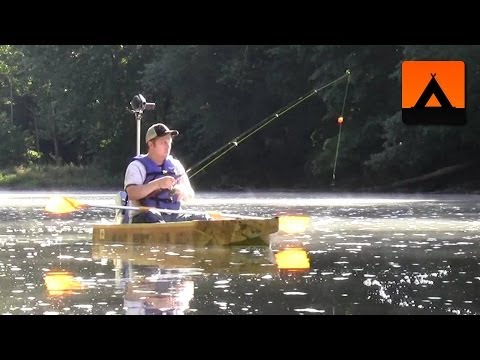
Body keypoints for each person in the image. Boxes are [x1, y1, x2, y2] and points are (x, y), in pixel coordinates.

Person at [123, 122, 209, 223]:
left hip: (174, 216)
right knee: (153, 217)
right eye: (163, 142)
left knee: (204, 218)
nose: (167, 146)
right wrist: (158, 184)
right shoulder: (137, 166)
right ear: (151, 144)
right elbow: (132, 193)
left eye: (169, 142)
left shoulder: (175, 164)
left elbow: (190, 194)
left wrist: (182, 190)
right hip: (145, 216)